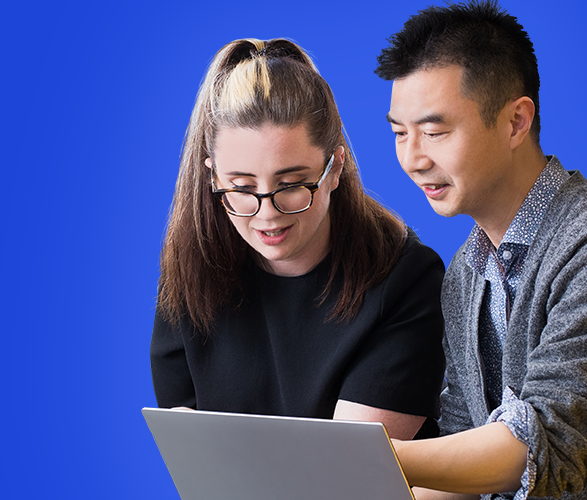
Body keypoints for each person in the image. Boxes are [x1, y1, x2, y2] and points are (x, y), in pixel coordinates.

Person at [150, 38, 446, 441]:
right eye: (242, 186)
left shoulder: (406, 279)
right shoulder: (190, 274)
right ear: (213, 176)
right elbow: (195, 456)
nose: (267, 212)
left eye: (291, 184)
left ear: (335, 167)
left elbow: (346, 471)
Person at [376, 1, 587, 498]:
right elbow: (461, 449)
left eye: (434, 132)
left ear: (516, 122)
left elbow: (545, 443)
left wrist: (356, 459)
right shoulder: (465, 273)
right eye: (399, 134)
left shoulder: (579, 243)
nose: (413, 158)